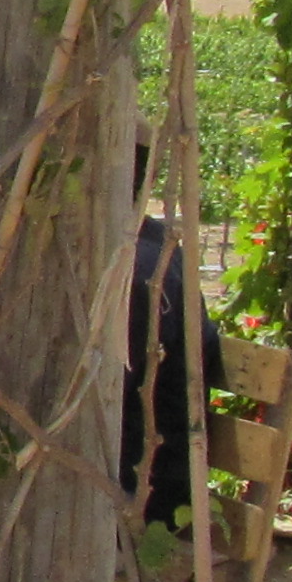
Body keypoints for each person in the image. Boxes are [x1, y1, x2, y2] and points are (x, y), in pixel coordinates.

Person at [122, 146, 223, 528]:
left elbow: (109, 389)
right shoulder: (153, 242)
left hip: (147, 492)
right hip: (158, 474)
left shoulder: (137, 268)